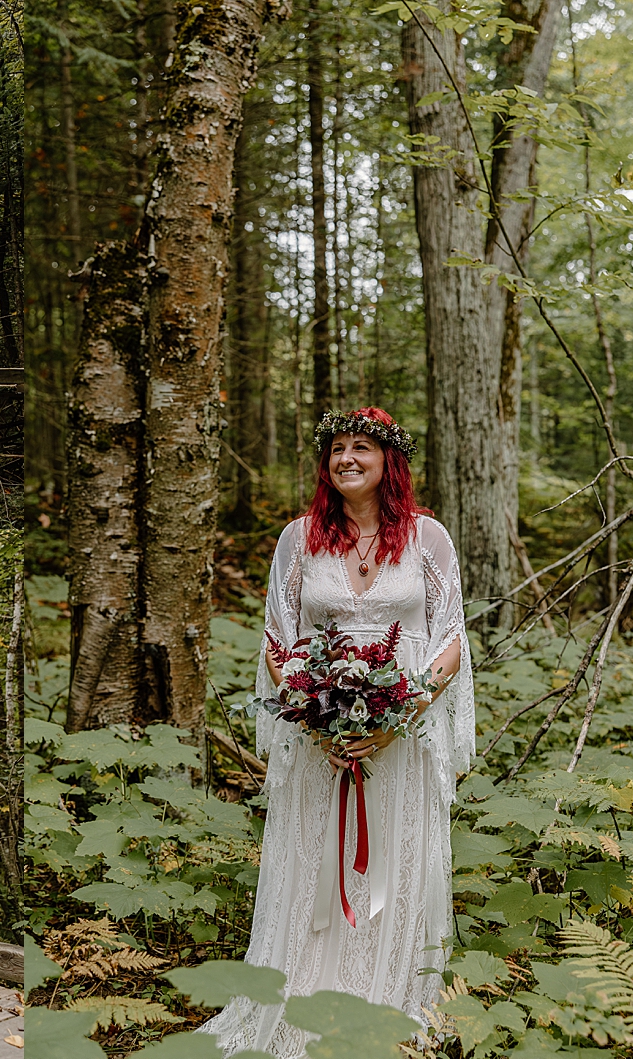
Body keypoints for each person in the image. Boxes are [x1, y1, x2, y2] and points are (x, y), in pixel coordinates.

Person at [200, 408, 475, 1057]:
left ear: (389, 461)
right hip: (319, 740)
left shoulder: (427, 538)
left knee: (398, 862)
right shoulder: (300, 539)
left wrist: (397, 716)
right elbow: (277, 634)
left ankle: (389, 1000)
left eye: (362, 447)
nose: (346, 458)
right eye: (336, 449)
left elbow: (451, 637)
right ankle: (304, 997)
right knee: (316, 865)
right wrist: (312, 712)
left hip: (401, 741)